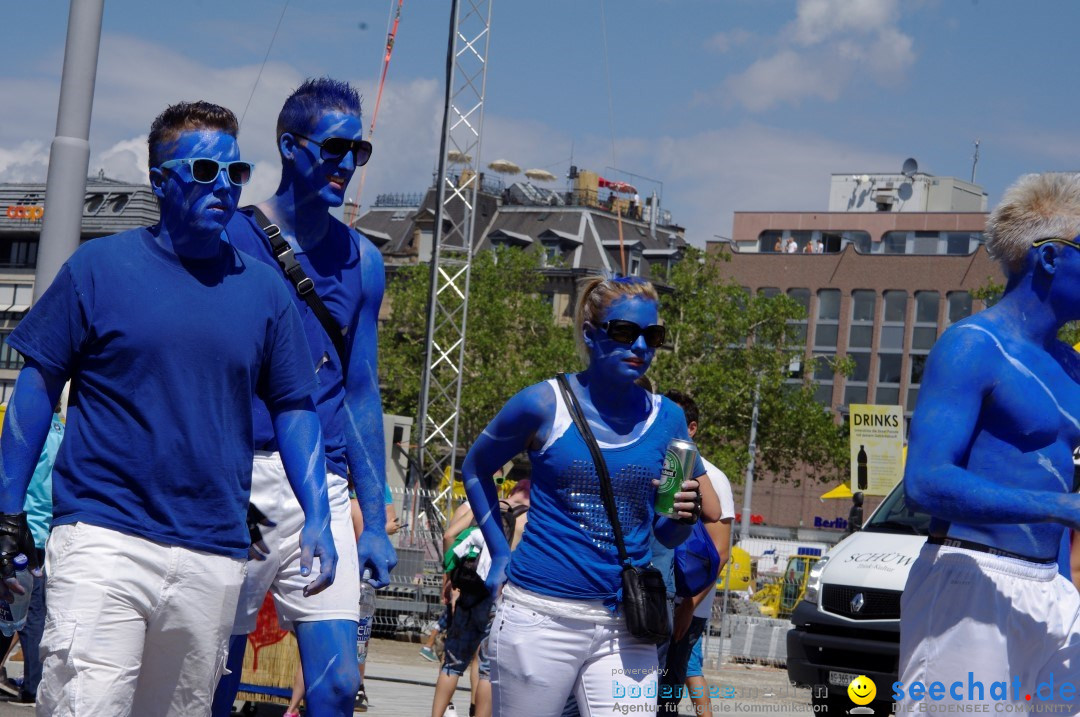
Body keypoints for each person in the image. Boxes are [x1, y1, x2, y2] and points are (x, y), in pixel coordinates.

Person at [0, 101, 336, 717]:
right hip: (103, 536)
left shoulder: (265, 292)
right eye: (204, 171)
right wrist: (6, 512)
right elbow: (36, 388)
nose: (224, 187)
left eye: (236, 174)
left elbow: (295, 408)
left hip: (213, 550)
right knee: (87, 704)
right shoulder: (98, 269)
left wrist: (319, 513)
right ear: (160, 181)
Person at [212, 77, 397, 717]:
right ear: (291, 147)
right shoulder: (227, 238)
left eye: (359, 151)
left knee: (339, 683)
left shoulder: (364, 261)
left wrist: (375, 518)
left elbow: (361, 391)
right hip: (235, 478)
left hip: (323, 480)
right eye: (334, 148)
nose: (347, 164)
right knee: (212, 677)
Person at [461, 276, 721, 715]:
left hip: (628, 624)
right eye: (623, 332)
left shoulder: (670, 419)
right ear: (589, 334)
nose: (640, 346)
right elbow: (475, 468)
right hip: (540, 616)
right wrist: (501, 553)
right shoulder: (543, 404)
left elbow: (666, 534)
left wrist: (681, 518)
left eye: (652, 336)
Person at [899, 172, 1080, 713]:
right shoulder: (972, 346)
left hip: (1051, 589)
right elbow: (925, 481)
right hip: (969, 580)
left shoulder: (1072, 365)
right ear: (1050, 258)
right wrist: (1062, 507)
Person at [657, 390, 734, 715]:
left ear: (691, 429)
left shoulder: (712, 478)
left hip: (687, 605)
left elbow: (721, 551)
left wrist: (688, 606)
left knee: (665, 698)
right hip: (652, 599)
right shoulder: (658, 466)